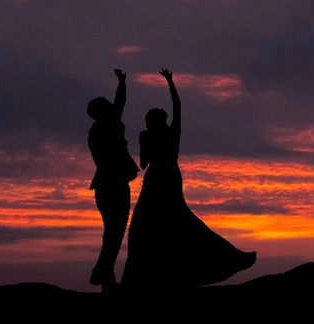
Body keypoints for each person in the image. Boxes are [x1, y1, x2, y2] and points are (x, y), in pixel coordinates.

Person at [121, 69, 256, 290]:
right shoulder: (169, 133)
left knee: (150, 224)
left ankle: (143, 278)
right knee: (167, 222)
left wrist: (170, 82)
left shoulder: (149, 135)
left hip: (159, 178)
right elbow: (178, 106)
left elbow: (144, 163)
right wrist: (170, 82)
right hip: (166, 177)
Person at [87, 69, 140, 291]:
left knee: (114, 231)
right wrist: (122, 83)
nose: (112, 106)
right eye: (107, 105)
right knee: (114, 231)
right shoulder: (104, 128)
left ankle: (106, 276)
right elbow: (120, 104)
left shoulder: (102, 127)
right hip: (112, 184)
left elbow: (120, 102)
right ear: (102, 112)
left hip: (112, 183)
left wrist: (122, 82)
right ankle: (103, 275)